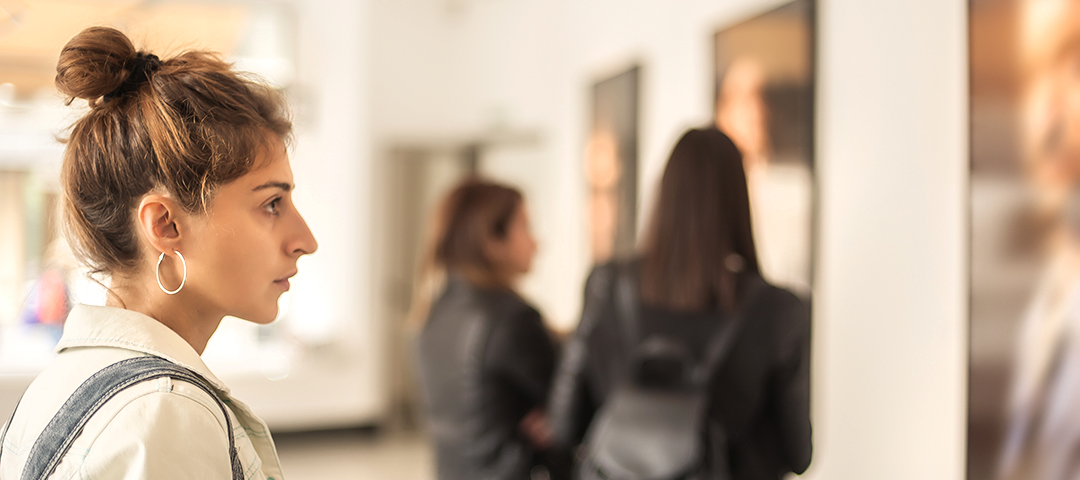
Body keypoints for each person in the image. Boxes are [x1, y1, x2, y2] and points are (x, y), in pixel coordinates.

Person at [0, 26, 316, 479]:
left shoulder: (58, 385)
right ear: (166, 225)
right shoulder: (165, 410)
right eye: (271, 204)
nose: (305, 240)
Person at [548, 127, 811, 480]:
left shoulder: (606, 285)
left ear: (665, 194)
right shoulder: (779, 309)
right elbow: (798, 454)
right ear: (738, 200)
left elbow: (564, 425)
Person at [413, 178, 560, 480]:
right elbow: (571, 406)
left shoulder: (432, 313)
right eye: (526, 227)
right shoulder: (511, 318)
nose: (536, 243)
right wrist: (556, 419)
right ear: (492, 240)